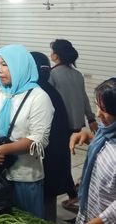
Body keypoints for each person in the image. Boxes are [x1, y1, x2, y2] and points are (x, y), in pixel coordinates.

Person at [0, 45, 53, 218]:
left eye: (6, 65)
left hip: (24, 175)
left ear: (20, 66)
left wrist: (2, 151)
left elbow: (38, 140)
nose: (0, 70)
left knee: (25, 219)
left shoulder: (38, 98)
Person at [49, 39, 97, 212]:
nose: (51, 54)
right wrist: (91, 119)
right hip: (76, 125)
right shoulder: (77, 74)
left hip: (61, 126)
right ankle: (74, 191)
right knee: (65, 158)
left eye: (52, 51)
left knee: (60, 160)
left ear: (56, 55)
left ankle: (73, 195)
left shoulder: (52, 74)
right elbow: (84, 99)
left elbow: (50, 102)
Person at [31, 52, 73, 222]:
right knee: (48, 200)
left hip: (45, 160)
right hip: (54, 158)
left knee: (43, 203)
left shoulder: (37, 95)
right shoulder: (50, 91)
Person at [70, 78, 116, 224]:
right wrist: (90, 137)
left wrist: (98, 221)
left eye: (104, 110)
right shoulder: (107, 133)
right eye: (97, 106)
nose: (97, 114)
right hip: (91, 210)